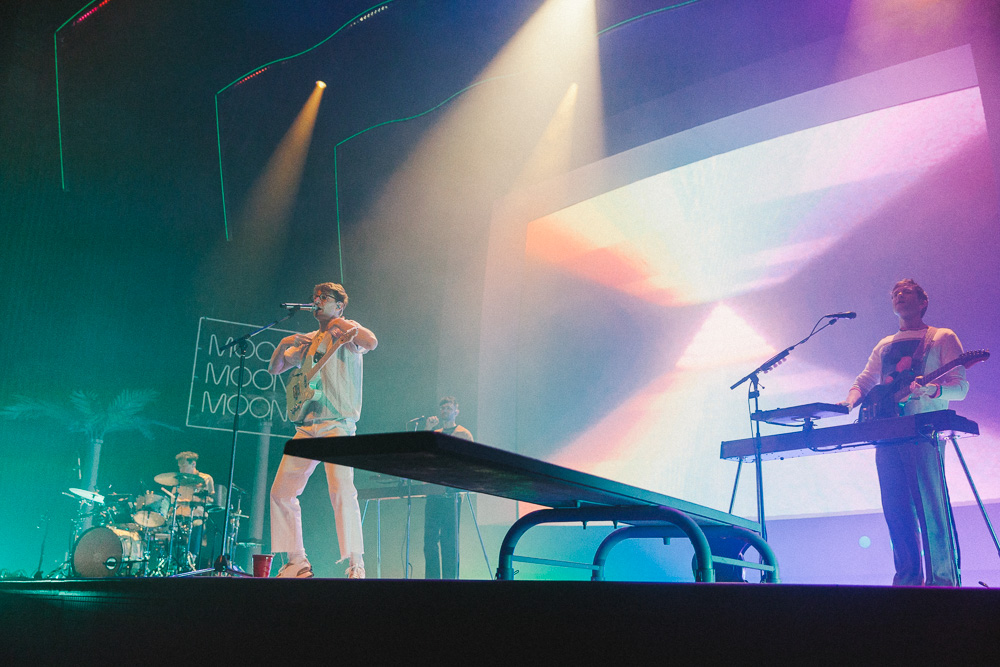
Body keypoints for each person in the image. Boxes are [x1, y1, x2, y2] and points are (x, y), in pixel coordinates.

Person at [841, 279, 968, 586]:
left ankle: (943, 583)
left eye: (906, 291)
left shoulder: (941, 337)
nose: (899, 295)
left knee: (931, 510)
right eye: (895, 293)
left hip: (923, 434)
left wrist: (931, 389)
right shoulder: (884, 345)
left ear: (923, 301)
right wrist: (848, 402)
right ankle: (907, 582)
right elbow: (865, 380)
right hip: (886, 435)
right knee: (896, 512)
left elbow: (961, 387)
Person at [268, 282, 377, 578]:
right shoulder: (308, 340)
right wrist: (284, 343)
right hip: (306, 427)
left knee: (341, 489)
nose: (316, 301)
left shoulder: (347, 330)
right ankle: (297, 561)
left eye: (324, 298)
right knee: (280, 492)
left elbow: (371, 342)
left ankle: (356, 564)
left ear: (339, 305)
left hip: (337, 424)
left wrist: (341, 324)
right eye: (314, 297)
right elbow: (275, 368)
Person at [423, 396, 473, 579]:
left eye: (448, 407)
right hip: (433, 493)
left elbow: (468, 463)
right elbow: (424, 457)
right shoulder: (434, 434)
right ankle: (432, 581)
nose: (444, 410)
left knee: (449, 542)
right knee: (429, 541)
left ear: (456, 411)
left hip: (452, 495)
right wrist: (427, 430)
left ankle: (451, 581)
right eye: (442, 408)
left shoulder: (463, 434)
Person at [174, 451, 215, 568]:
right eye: (180, 467)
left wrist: (195, 499)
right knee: (175, 549)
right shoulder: (179, 480)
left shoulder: (205, 478)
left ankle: (191, 567)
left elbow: (211, 500)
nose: (181, 469)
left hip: (196, 519)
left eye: (184, 466)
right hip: (179, 519)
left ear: (193, 464)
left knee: (192, 553)